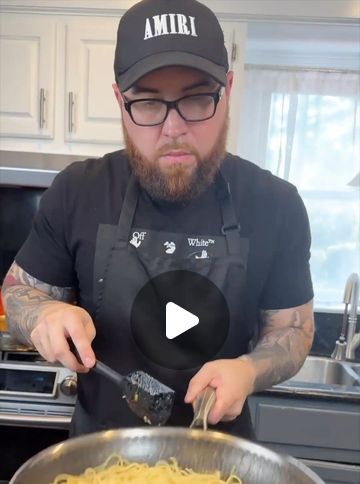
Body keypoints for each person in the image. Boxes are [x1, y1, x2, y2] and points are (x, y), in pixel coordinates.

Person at [2, 0, 314, 438]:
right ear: (119, 100)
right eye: (148, 103)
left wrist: (249, 370)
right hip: (98, 468)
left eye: (196, 98)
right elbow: (18, 292)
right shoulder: (77, 191)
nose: (173, 128)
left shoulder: (276, 204)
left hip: (223, 473)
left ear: (226, 90)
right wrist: (43, 316)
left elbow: (293, 330)